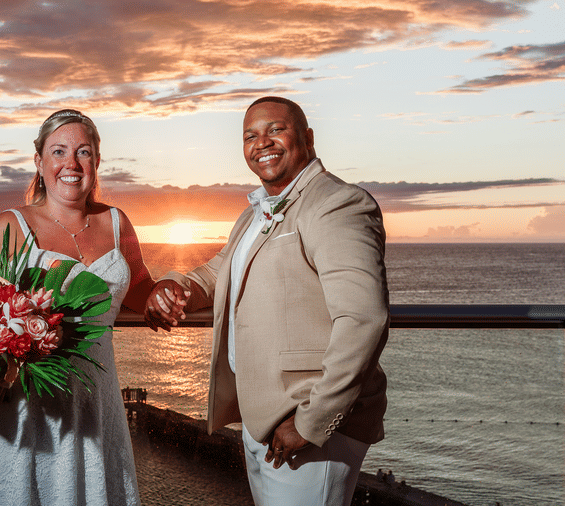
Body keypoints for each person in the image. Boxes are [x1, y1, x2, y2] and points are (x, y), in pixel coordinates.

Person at [144, 97, 389, 506]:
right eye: (250, 136)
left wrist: (312, 423)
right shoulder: (254, 213)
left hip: (307, 421)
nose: (263, 143)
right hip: (262, 417)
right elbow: (214, 272)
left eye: (276, 129)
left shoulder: (335, 203)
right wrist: (170, 285)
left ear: (307, 138)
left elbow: (363, 318)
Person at [0, 109, 154, 506]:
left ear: (97, 161)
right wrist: (11, 349)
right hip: (18, 408)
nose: (71, 164)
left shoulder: (117, 223)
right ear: (39, 162)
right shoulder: (11, 225)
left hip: (91, 406)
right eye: (59, 152)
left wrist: (174, 287)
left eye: (83, 152)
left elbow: (141, 290)